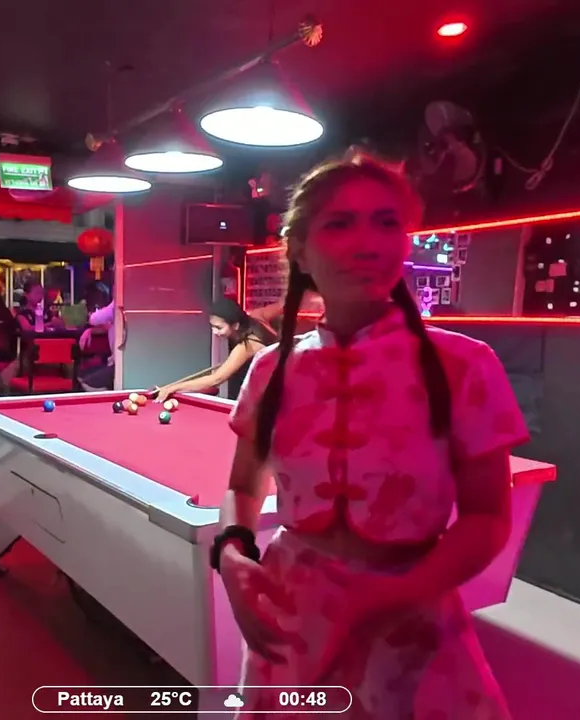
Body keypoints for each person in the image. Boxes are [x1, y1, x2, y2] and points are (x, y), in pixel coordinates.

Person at [211, 149, 528, 718]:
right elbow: (243, 486)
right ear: (299, 250)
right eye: (340, 223)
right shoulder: (270, 370)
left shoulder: (465, 365)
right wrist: (232, 554)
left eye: (387, 223)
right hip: (292, 613)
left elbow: (487, 517)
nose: (368, 243)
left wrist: (394, 595)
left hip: (413, 612)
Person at [153, 298, 276, 403]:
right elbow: (216, 380)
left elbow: (217, 379)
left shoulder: (248, 344)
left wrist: (172, 388)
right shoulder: (241, 330)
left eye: (219, 327)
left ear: (235, 325)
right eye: (212, 326)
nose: (214, 332)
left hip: (267, 400)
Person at [78, 299, 116, 391]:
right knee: (81, 375)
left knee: (85, 381)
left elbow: (94, 319)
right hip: (114, 360)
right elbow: (108, 326)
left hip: (120, 364)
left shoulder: (117, 303)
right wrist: (90, 330)